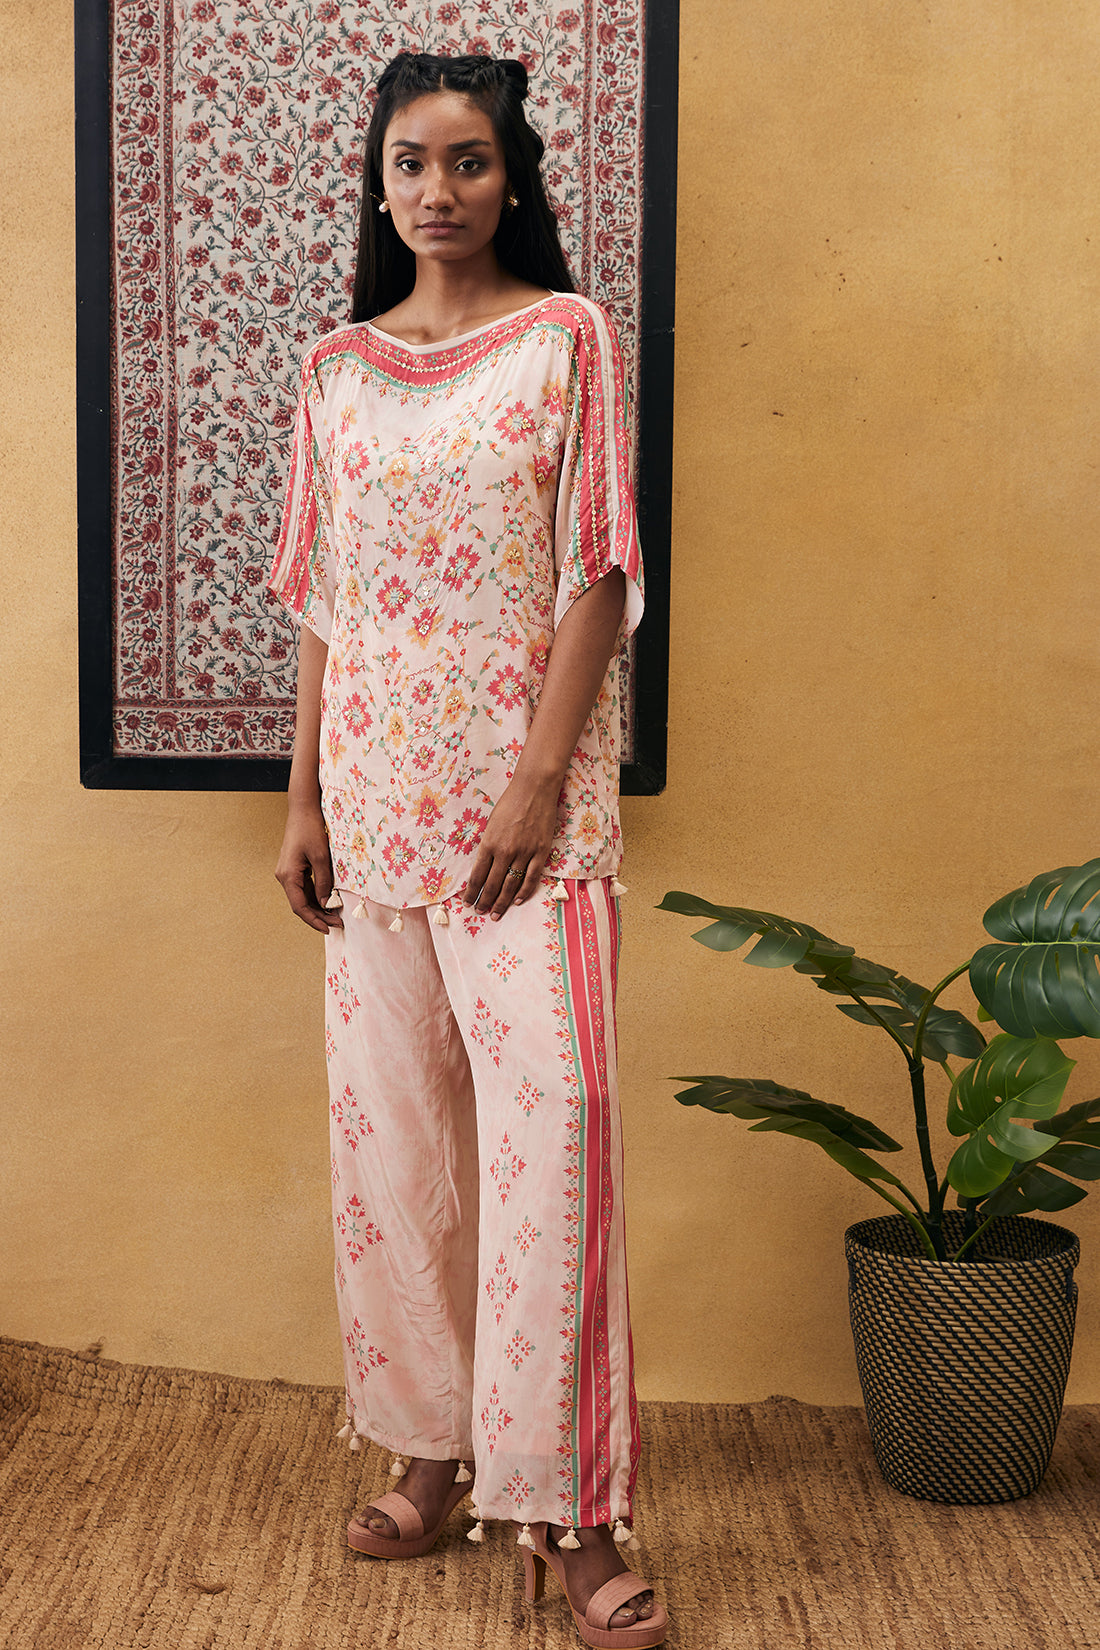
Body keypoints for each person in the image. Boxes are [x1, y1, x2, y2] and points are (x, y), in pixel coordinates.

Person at [268, 51, 667, 1650]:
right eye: (412, 163)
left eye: (470, 161)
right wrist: (301, 801)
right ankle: (431, 1449)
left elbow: (598, 571)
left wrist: (537, 780)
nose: (439, 189)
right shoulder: (336, 369)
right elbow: (323, 601)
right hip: (371, 815)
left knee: (556, 1146)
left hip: (525, 835)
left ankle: (571, 1508)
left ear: (514, 180)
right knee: (397, 1155)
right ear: (379, 185)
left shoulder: (566, 338)